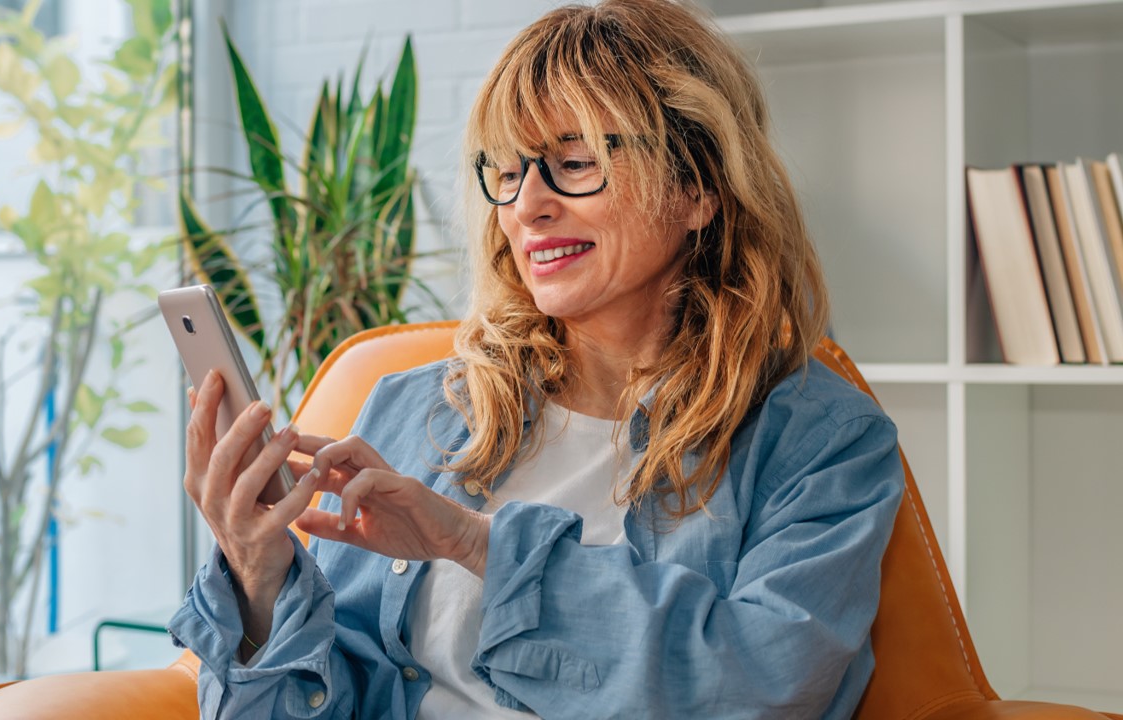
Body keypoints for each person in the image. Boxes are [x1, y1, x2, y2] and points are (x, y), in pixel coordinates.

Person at [167, 0, 905, 717]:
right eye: (508, 170)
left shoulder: (823, 442)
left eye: (575, 162)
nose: (526, 205)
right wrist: (260, 586)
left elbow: (759, 686)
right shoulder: (415, 411)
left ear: (698, 189)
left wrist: (473, 544)